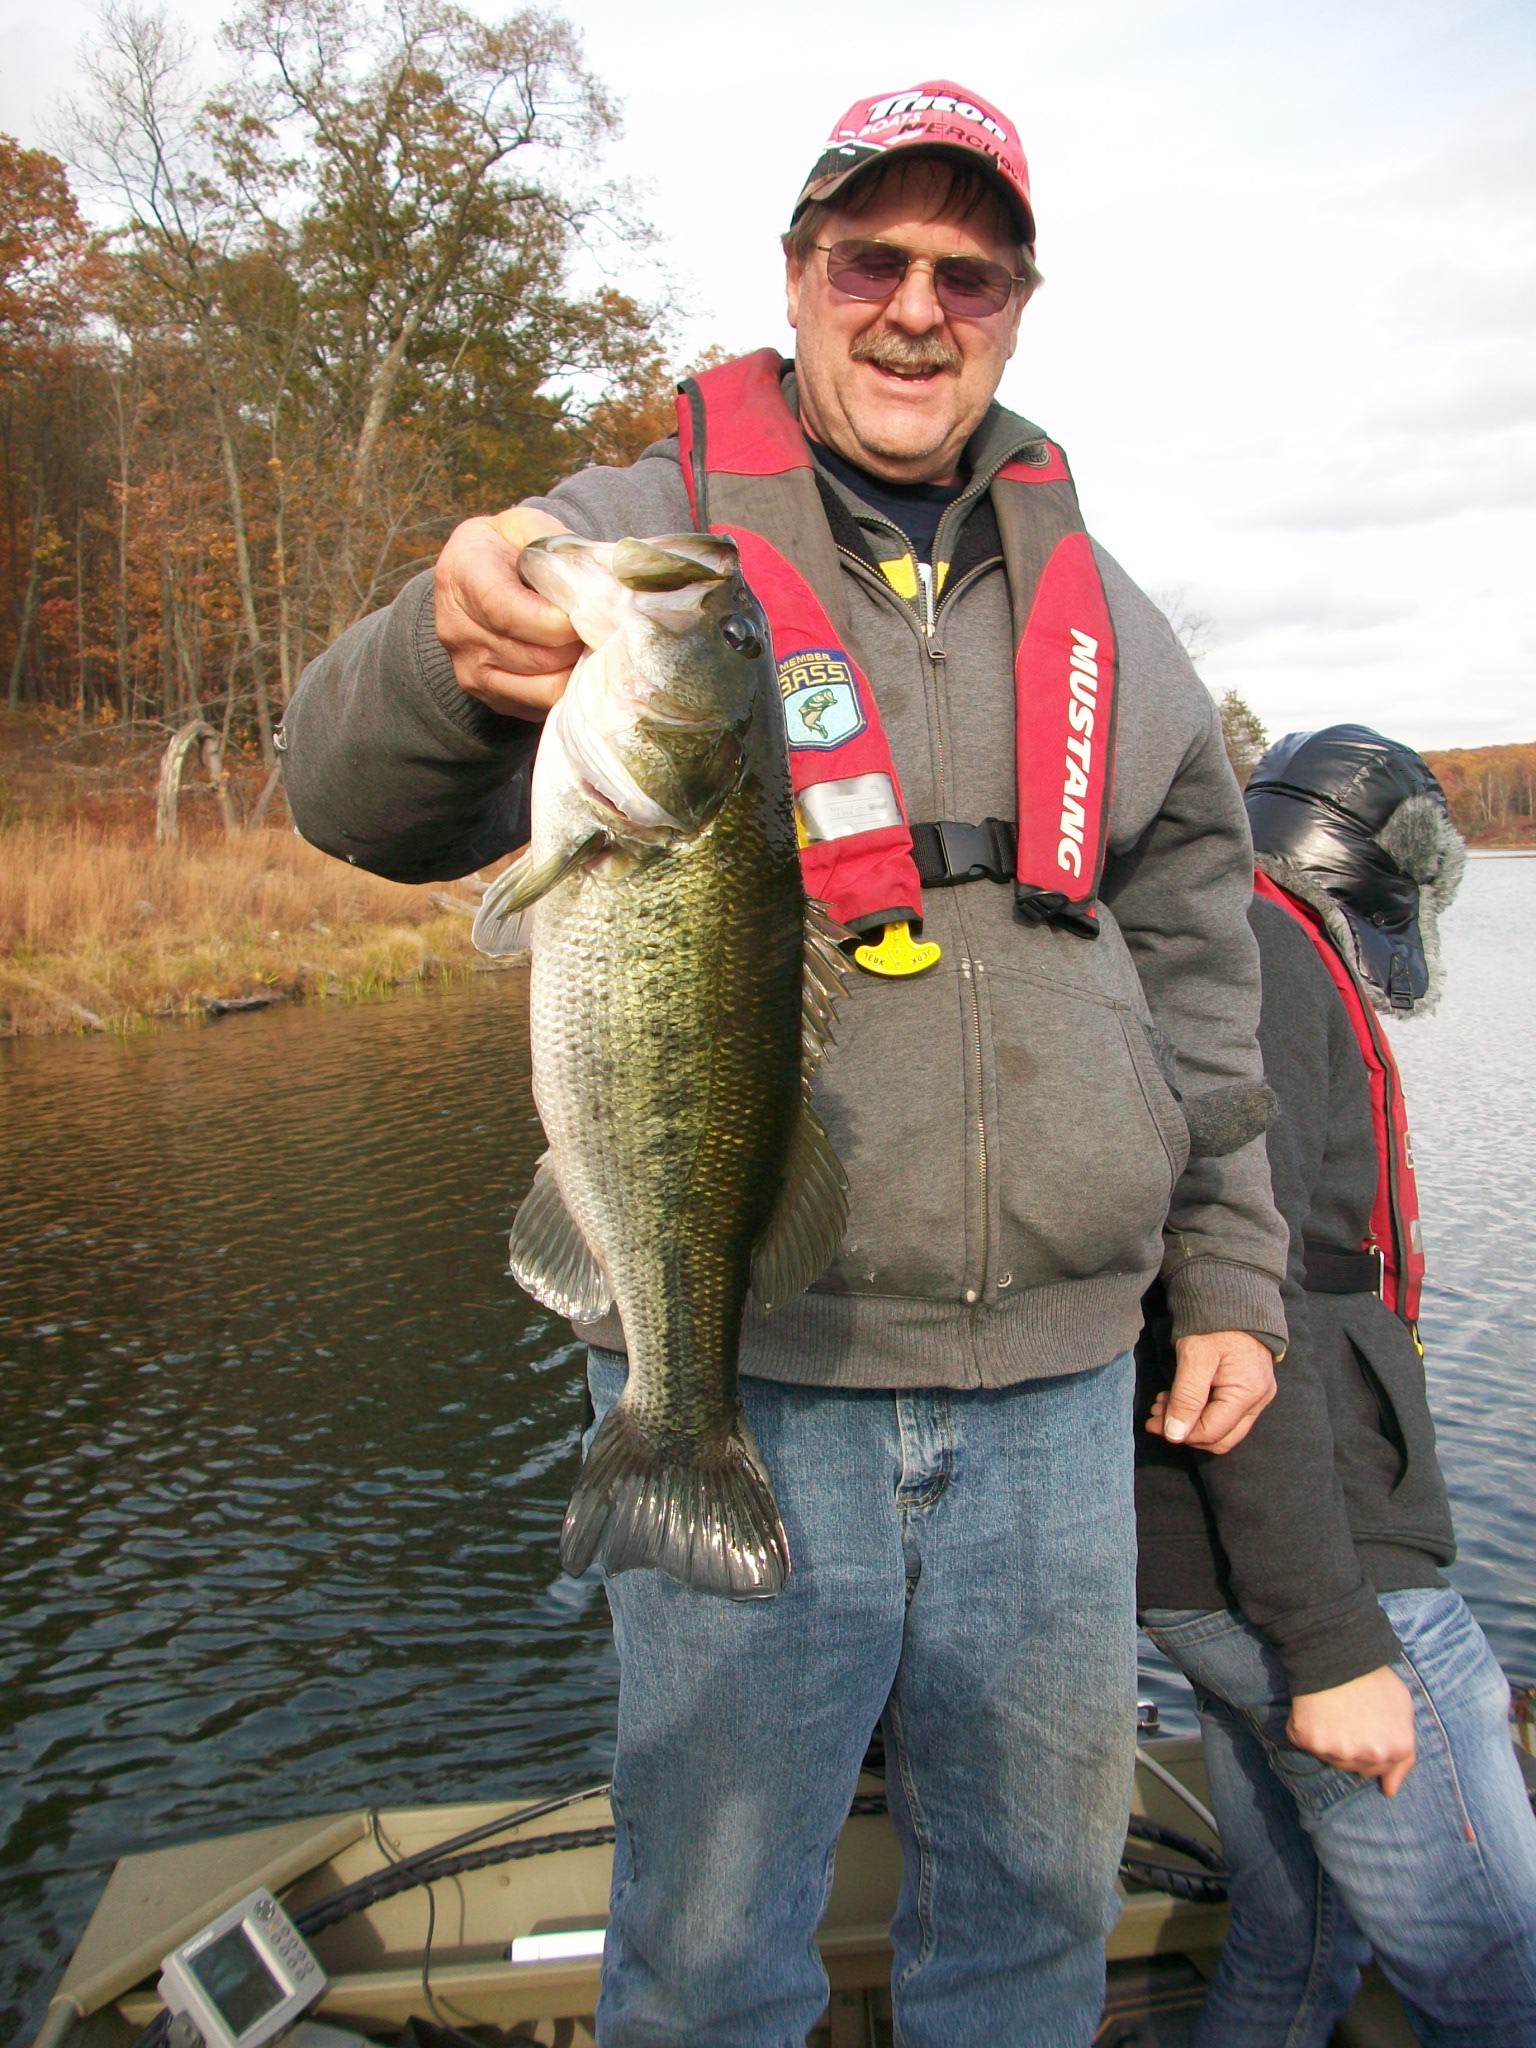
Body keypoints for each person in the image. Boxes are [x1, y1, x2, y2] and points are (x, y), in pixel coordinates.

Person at [281, 80, 1288, 2048]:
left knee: (1031, 1917)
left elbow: (1202, 971)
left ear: (1016, 302)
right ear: (800, 278)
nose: (916, 307)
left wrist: (1230, 1272)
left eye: (965, 271)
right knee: (717, 1929)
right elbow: (348, 788)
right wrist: (440, 638)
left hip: (1063, 1393)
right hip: (760, 1358)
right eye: (870, 259)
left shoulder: (1117, 622)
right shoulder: (634, 546)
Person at [1138, 724, 1536, 2046]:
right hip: (1311, 1561)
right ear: (1380, 859)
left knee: (1300, 1943)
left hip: (1211, 1554)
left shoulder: (1230, 936)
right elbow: (1254, 1306)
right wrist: (1332, 1637)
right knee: (1498, 1973)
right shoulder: (1260, 960)